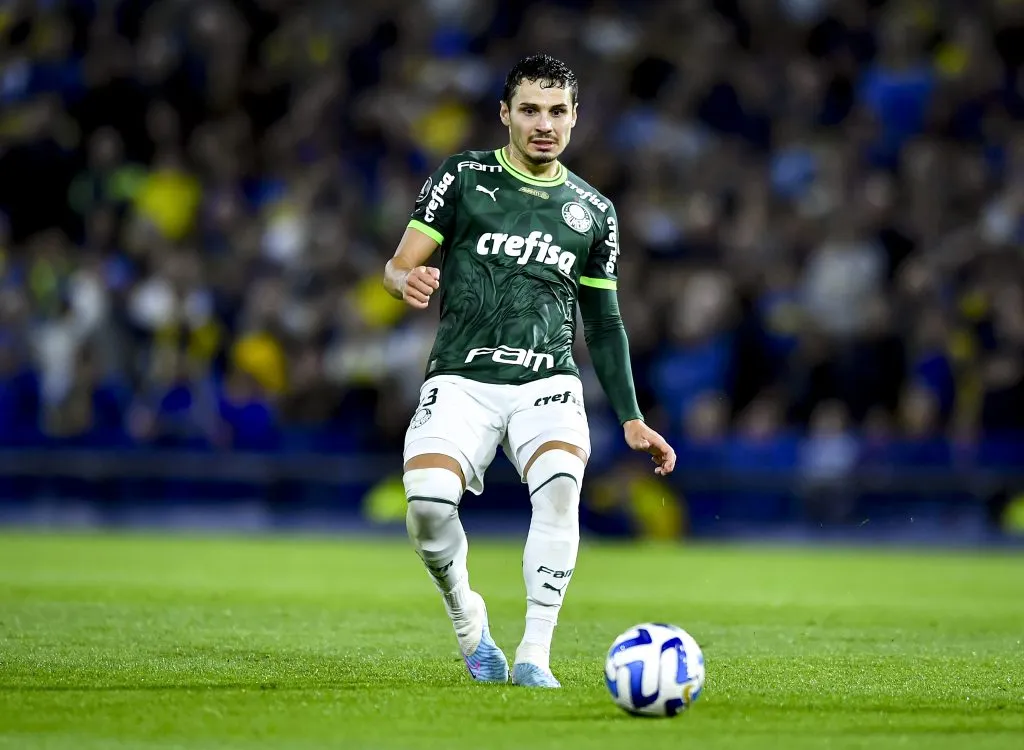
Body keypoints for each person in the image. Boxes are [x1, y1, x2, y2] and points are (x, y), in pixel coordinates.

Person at [382, 54, 676, 688]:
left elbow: (603, 324)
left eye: (558, 111)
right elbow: (397, 265)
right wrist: (408, 281)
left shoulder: (593, 211)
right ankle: (468, 619)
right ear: (505, 114)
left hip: (547, 383)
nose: (545, 123)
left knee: (562, 486)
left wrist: (631, 418)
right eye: (531, 110)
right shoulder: (462, 177)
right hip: (462, 378)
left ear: (575, 117)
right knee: (429, 509)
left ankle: (534, 655)